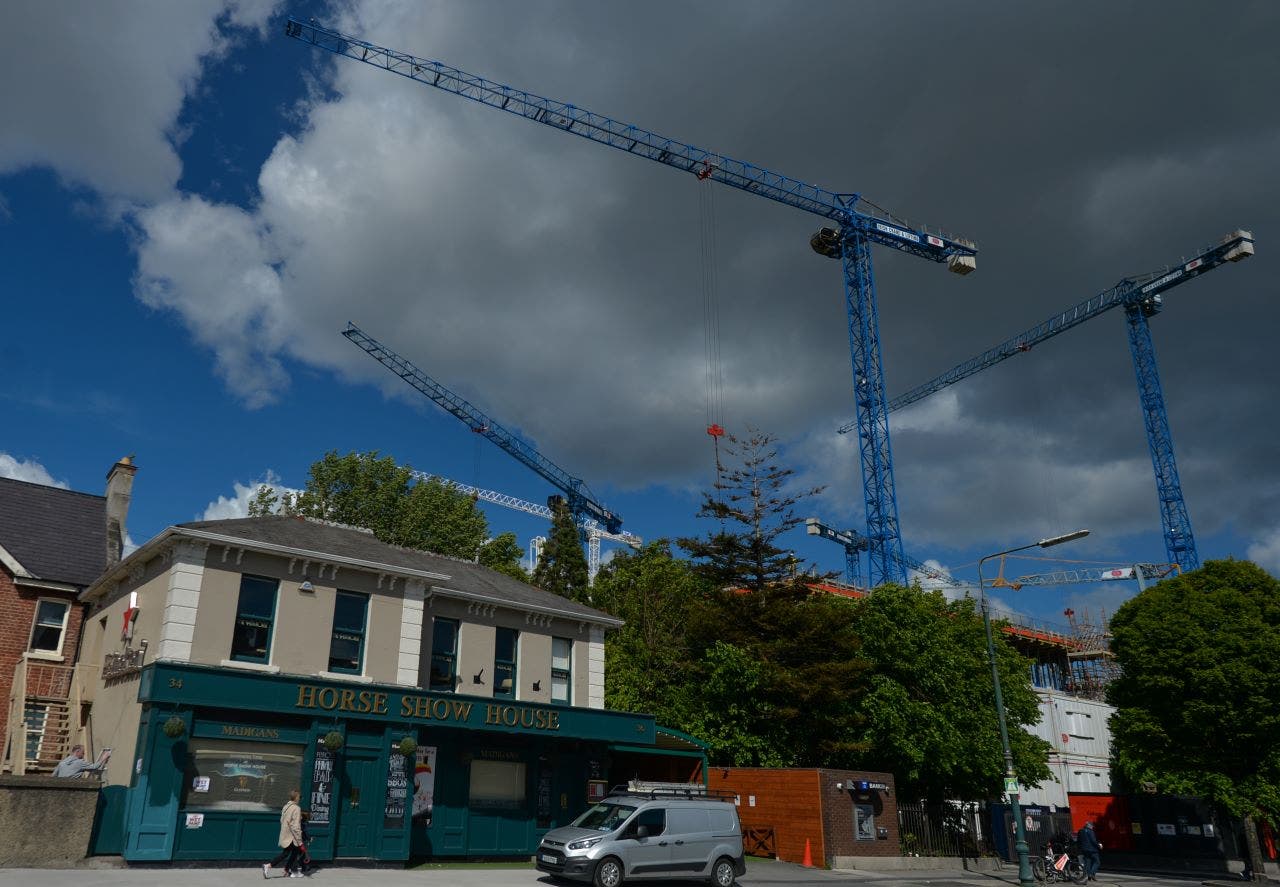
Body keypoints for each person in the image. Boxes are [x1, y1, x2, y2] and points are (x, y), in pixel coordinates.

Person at [263, 789, 305, 879]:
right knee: (286, 853)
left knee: (293, 852)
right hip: (292, 837)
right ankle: (268, 866)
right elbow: (296, 826)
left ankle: (287, 870)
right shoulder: (297, 808)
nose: (300, 799)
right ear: (296, 798)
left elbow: (282, 820)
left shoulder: (286, 806)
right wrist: (300, 840)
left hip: (286, 835)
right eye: (299, 797)